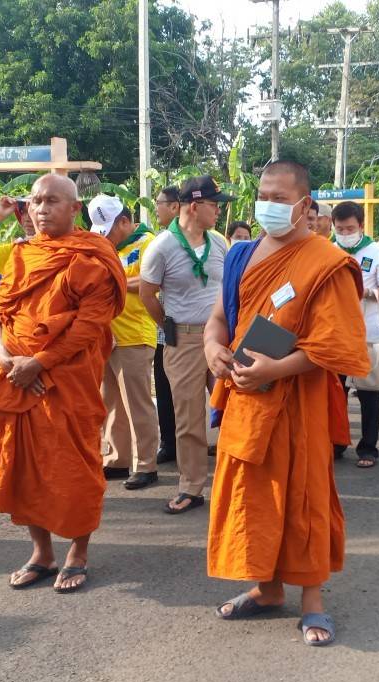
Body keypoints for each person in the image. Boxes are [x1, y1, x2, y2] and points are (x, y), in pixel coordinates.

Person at [203, 159, 369, 647]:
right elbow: (219, 318)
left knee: (303, 497)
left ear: (304, 205)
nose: (267, 206)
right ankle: (266, 588)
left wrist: (276, 368)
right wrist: (213, 348)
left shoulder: (327, 262)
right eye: (262, 195)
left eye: (279, 198)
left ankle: (312, 603)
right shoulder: (240, 255)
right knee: (252, 496)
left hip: (298, 402)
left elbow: (336, 346)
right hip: (245, 398)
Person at [0, 174, 126, 592]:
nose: (40, 209)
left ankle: (78, 551)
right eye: (35, 202)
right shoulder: (22, 256)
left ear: (75, 209)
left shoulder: (92, 257)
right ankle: (42, 551)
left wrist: (39, 362)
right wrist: (6, 359)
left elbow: (91, 324)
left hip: (67, 377)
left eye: (52, 201)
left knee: (72, 465)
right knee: (23, 466)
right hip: (13, 374)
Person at [140, 176, 231, 513]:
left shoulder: (219, 243)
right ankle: (191, 486)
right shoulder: (162, 246)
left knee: (232, 408)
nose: (219, 210)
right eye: (214, 204)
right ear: (195, 206)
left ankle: (235, 481)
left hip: (220, 336)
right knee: (189, 416)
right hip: (184, 338)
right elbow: (148, 294)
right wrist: (168, 327)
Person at [88, 195, 161, 491]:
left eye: (111, 228)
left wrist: (111, 282)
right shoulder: (105, 248)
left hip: (135, 334)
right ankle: (118, 460)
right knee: (112, 402)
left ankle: (146, 464)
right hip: (108, 335)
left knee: (137, 403)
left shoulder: (149, 244)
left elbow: (148, 281)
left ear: (124, 221)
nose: (107, 236)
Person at [330, 201, 379, 468]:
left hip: (367, 331)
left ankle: (368, 448)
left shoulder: (376, 252)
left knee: (369, 392)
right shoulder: (328, 250)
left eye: (350, 228)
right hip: (334, 334)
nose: (345, 234)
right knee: (335, 392)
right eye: (340, 229)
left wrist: (367, 293)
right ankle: (336, 443)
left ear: (360, 225)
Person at [153, 186, 182, 464]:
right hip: (167, 331)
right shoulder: (162, 241)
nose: (156, 208)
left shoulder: (213, 242)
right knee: (164, 388)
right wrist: (164, 323)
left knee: (202, 391)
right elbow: (150, 288)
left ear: (175, 207)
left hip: (202, 332)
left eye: (159, 203)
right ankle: (169, 442)